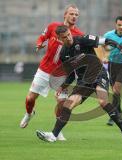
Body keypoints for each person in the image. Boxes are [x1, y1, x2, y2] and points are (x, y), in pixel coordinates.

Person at [36, 25, 122, 144]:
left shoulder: (82, 39)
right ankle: (53, 135)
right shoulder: (63, 54)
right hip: (84, 81)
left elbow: (106, 41)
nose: (69, 38)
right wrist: (62, 86)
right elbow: (71, 74)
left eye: (69, 34)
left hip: (98, 73)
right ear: (60, 39)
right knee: (68, 104)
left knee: (102, 101)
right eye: (65, 37)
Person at [19, 4, 84, 141]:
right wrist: (39, 44)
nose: (74, 17)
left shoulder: (79, 35)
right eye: (71, 14)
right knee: (30, 98)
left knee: (62, 102)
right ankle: (29, 113)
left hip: (61, 74)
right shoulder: (52, 26)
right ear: (65, 15)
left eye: (76, 15)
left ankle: (57, 131)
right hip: (44, 70)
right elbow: (42, 38)